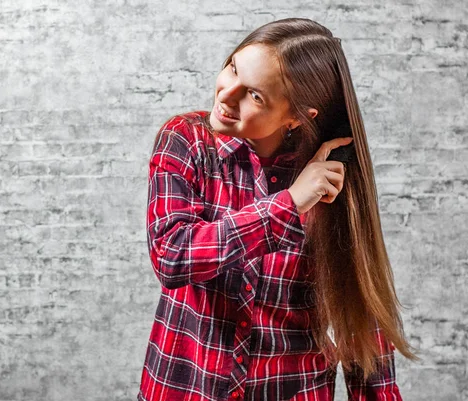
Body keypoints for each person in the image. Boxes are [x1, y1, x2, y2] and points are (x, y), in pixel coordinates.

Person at [137, 18, 418, 401]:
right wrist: (288, 205)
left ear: (298, 116)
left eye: (254, 95)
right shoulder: (185, 140)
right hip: (187, 388)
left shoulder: (329, 175)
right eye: (232, 68)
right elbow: (172, 256)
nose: (226, 95)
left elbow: (358, 309)